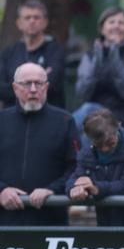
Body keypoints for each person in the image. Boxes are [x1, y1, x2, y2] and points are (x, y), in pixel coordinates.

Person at [0, 63, 77, 226]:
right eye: (27, 84)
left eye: (39, 83)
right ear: (15, 88)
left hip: (50, 221)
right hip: (5, 221)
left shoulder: (65, 121)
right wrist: (2, 190)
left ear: (47, 87)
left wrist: (52, 189)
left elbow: (76, 167)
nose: (33, 89)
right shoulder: (2, 121)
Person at [74, 6, 124, 137]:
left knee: (89, 124)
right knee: (87, 116)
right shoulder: (91, 56)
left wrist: (114, 56)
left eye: (121, 23)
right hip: (93, 113)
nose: (116, 26)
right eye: (111, 22)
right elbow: (82, 93)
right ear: (102, 29)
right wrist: (96, 63)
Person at [0, 0, 66, 109]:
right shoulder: (8, 53)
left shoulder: (56, 51)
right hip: (13, 116)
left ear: (45, 22)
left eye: (36, 17)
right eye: (27, 17)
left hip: (49, 116)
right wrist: (39, 82)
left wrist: (17, 85)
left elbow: (52, 85)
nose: (32, 21)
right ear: (19, 23)